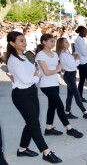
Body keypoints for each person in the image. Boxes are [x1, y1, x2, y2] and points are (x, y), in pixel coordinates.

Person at [6, 31, 62, 163]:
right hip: (21, 95)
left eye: (24, 40)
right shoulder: (14, 60)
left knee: (31, 122)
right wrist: (36, 77)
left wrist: (35, 77)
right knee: (34, 124)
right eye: (21, 41)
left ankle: (22, 149)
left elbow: (30, 75)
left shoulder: (23, 57)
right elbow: (26, 79)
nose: (24, 43)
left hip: (31, 92)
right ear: (12, 43)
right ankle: (46, 152)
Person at [35, 34, 84, 139]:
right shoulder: (40, 55)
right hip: (46, 85)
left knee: (52, 106)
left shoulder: (54, 54)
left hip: (55, 83)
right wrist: (57, 69)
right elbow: (47, 72)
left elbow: (59, 67)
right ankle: (69, 129)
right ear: (44, 42)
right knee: (60, 106)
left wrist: (58, 69)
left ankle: (49, 128)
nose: (53, 43)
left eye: (54, 41)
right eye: (51, 41)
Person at [56, 37, 87, 121]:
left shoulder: (66, 52)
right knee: (77, 95)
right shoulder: (63, 54)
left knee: (70, 95)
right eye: (66, 42)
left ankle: (67, 112)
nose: (68, 43)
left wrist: (74, 57)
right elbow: (72, 65)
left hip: (71, 75)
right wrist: (77, 59)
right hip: (69, 75)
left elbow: (70, 63)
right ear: (61, 44)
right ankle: (85, 113)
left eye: (67, 41)